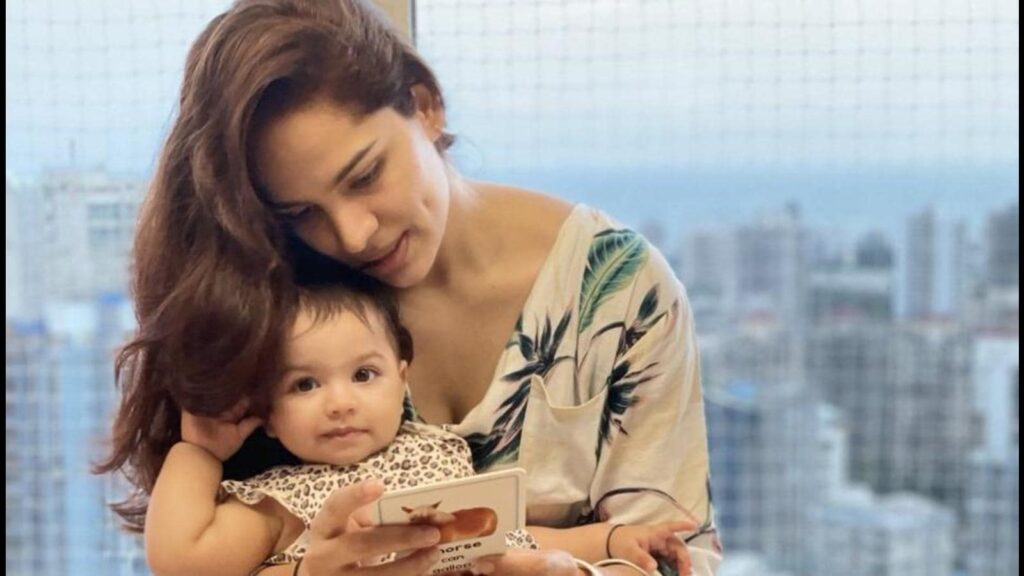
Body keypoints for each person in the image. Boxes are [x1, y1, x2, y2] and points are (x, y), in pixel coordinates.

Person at [96, 0, 722, 574]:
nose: (351, 235)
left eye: (365, 175)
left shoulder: (617, 293)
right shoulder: (280, 309)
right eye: (301, 213)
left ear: (425, 106)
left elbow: (677, 557)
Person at [140, 282, 694, 575]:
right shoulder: (281, 500)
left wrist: (613, 540)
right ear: (266, 411)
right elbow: (183, 562)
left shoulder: (438, 453)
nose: (340, 403)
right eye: (304, 385)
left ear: (402, 379)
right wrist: (199, 452)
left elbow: (516, 540)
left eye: (364, 375)